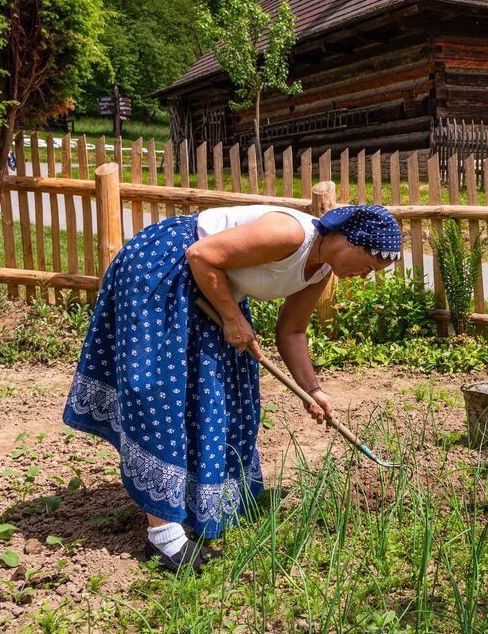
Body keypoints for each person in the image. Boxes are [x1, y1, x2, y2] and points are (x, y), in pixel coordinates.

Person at [62, 203, 401, 573]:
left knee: (217, 396)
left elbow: (292, 331)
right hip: (166, 270)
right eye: (368, 265)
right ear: (349, 240)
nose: (365, 275)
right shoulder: (291, 234)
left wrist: (313, 389)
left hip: (213, 288)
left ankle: (190, 504)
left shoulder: (320, 270)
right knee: (163, 394)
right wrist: (232, 318)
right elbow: (200, 253)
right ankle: (163, 539)